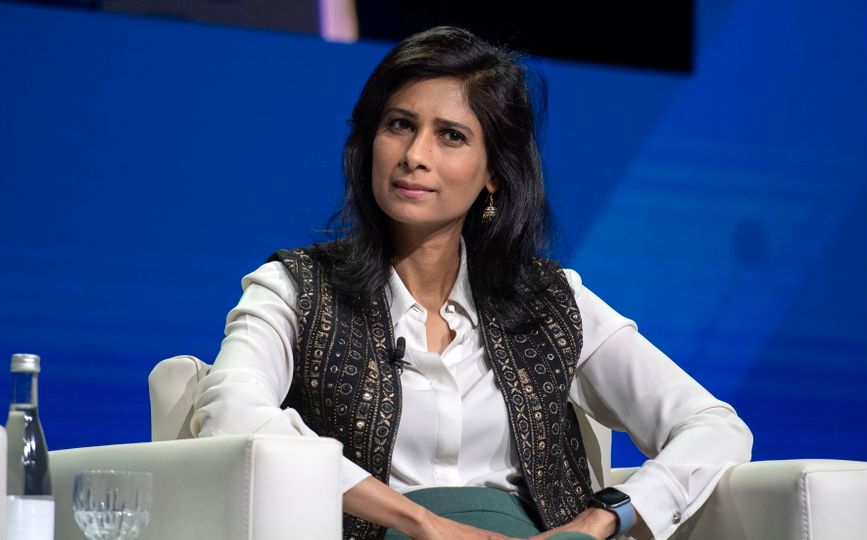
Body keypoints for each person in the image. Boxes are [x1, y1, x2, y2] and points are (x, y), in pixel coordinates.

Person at [190, 25, 753, 540]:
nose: (415, 156)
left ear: (494, 174)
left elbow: (711, 425)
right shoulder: (295, 287)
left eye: (451, 136)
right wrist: (419, 521)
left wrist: (603, 517)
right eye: (399, 125)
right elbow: (231, 412)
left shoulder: (550, 301)